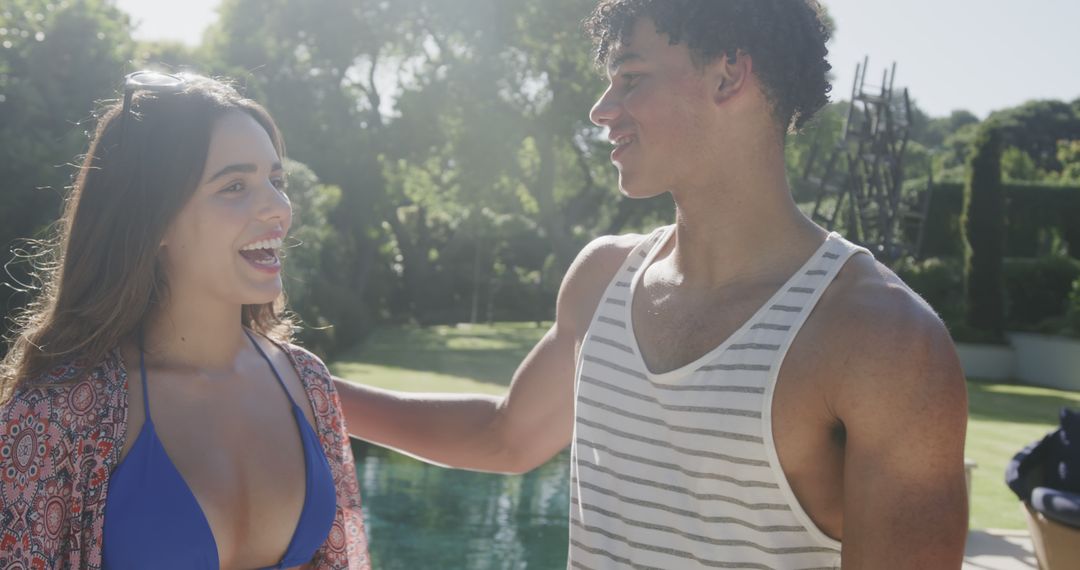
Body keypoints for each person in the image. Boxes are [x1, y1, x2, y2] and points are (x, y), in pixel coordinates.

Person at [334, 1, 970, 568]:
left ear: (728, 74)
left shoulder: (883, 340)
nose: (601, 110)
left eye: (631, 79)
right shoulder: (600, 279)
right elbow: (506, 437)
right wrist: (310, 388)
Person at [0, 72, 369, 569]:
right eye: (235, 186)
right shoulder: (59, 409)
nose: (279, 209)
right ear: (154, 221)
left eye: (276, 182)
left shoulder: (308, 384)